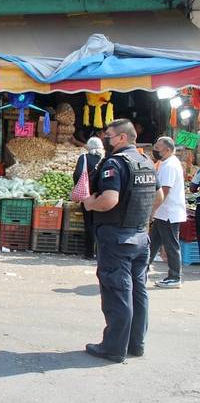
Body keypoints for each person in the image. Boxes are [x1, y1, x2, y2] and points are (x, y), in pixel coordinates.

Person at [82, 118, 160, 363]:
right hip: (140, 236)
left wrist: (89, 203)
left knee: (117, 292)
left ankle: (113, 347)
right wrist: (142, 219)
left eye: (110, 135)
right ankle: (136, 344)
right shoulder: (146, 162)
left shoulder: (115, 164)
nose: (107, 138)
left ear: (123, 138)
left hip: (117, 238)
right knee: (138, 292)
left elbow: (109, 200)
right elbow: (158, 197)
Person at [148, 136, 186, 289]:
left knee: (171, 245)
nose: (155, 151)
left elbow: (165, 190)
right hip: (163, 213)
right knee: (153, 243)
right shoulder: (166, 163)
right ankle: (142, 268)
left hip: (169, 212)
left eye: (158, 149)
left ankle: (175, 277)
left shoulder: (170, 165)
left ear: (168, 150)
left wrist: (153, 209)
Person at [73, 137, 105, 259]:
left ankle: (89, 253)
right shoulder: (105, 159)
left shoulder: (84, 158)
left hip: (87, 195)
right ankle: (100, 253)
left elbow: (77, 174)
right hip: (102, 195)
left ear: (88, 146)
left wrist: (78, 187)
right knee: (100, 223)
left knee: (89, 223)